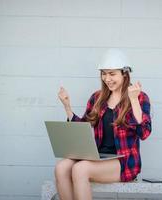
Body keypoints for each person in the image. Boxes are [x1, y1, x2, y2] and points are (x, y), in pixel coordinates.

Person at [56, 49, 152, 200]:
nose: (107, 79)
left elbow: (144, 133)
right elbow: (84, 127)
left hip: (123, 162)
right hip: (98, 157)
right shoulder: (97, 98)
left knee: (80, 169)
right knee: (61, 168)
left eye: (112, 74)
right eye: (104, 73)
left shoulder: (139, 97)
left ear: (124, 74)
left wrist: (133, 100)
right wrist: (67, 107)